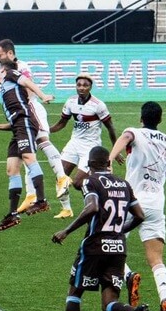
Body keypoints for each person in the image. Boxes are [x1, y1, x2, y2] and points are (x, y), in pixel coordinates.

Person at [51, 146, 155, 311]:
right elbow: (140, 215)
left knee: (75, 292)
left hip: (94, 247)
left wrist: (66, 230)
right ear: (108, 163)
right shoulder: (124, 184)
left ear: (89, 165)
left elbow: (92, 208)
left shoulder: (91, 181)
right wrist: (119, 231)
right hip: (118, 248)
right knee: (109, 303)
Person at [109, 101, 166, 311]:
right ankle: (165, 298)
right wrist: (162, 173)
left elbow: (121, 143)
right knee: (156, 259)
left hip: (132, 201)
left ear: (141, 118)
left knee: (111, 244)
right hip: (156, 205)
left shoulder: (135, 132)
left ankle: (129, 275)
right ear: (160, 120)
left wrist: (111, 160)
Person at [0, 39, 72, 217]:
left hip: (31, 108)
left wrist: (33, 100)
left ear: (10, 53)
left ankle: (61, 177)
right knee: (28, 152)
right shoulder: (6, 68)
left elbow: (27, 83)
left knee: (41, 141)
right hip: (24, 110)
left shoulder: (20, 66)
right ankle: (31, 195)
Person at [0, 61, 55, 231]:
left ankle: (41, 201)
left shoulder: (11, 73)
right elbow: (14, 119)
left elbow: (27, 82)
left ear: (3, 70)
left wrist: (43, 96)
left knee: (28, 158)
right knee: (12, 169)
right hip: (17, 127)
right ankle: (12, 214)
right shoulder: (6, 87)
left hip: (24, 123)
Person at [50, 73, 121, 219]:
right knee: (60, 176)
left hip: (90, 147)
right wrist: (45, 131)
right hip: (74, 143)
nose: (81, 88)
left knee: (77, 183)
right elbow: (61, 123)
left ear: (90, 87)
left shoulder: (98, 105)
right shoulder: (70, 102)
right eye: (79, 85)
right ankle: (67, 209)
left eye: (85, 85)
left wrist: (116, 149)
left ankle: (96, 204)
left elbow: (111, 127)